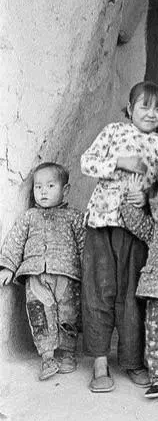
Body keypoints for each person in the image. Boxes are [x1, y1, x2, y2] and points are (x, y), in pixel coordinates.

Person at [81, 81, 158, 393]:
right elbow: (86, 162)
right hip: (102, 223)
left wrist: (147, 197)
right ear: (130, 109)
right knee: (99, 291)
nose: (151, 113)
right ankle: (100, 361)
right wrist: (119, 161)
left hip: (137, 230)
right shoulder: (113, 132)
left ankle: (132, 361)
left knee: (132, 294)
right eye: (144, 106)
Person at [0, 162, 85, 380]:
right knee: (39, 314)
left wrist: (88, 271)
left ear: (65, 189)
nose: (43, 191)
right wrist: (8, 266)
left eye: (50, 186)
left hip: (67, 275)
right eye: (38, 187)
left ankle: (67, 353)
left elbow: (85, 245)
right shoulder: (29, 217)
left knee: (68, 314)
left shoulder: (74, 217)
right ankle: (47, 356)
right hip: (35, 275)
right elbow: (15, 241)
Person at [120, 182, 158, 399]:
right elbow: (133, 220)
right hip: (157, 288)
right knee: (157, 332)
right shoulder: (154, 229)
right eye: (154, 207)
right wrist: (133, 197)